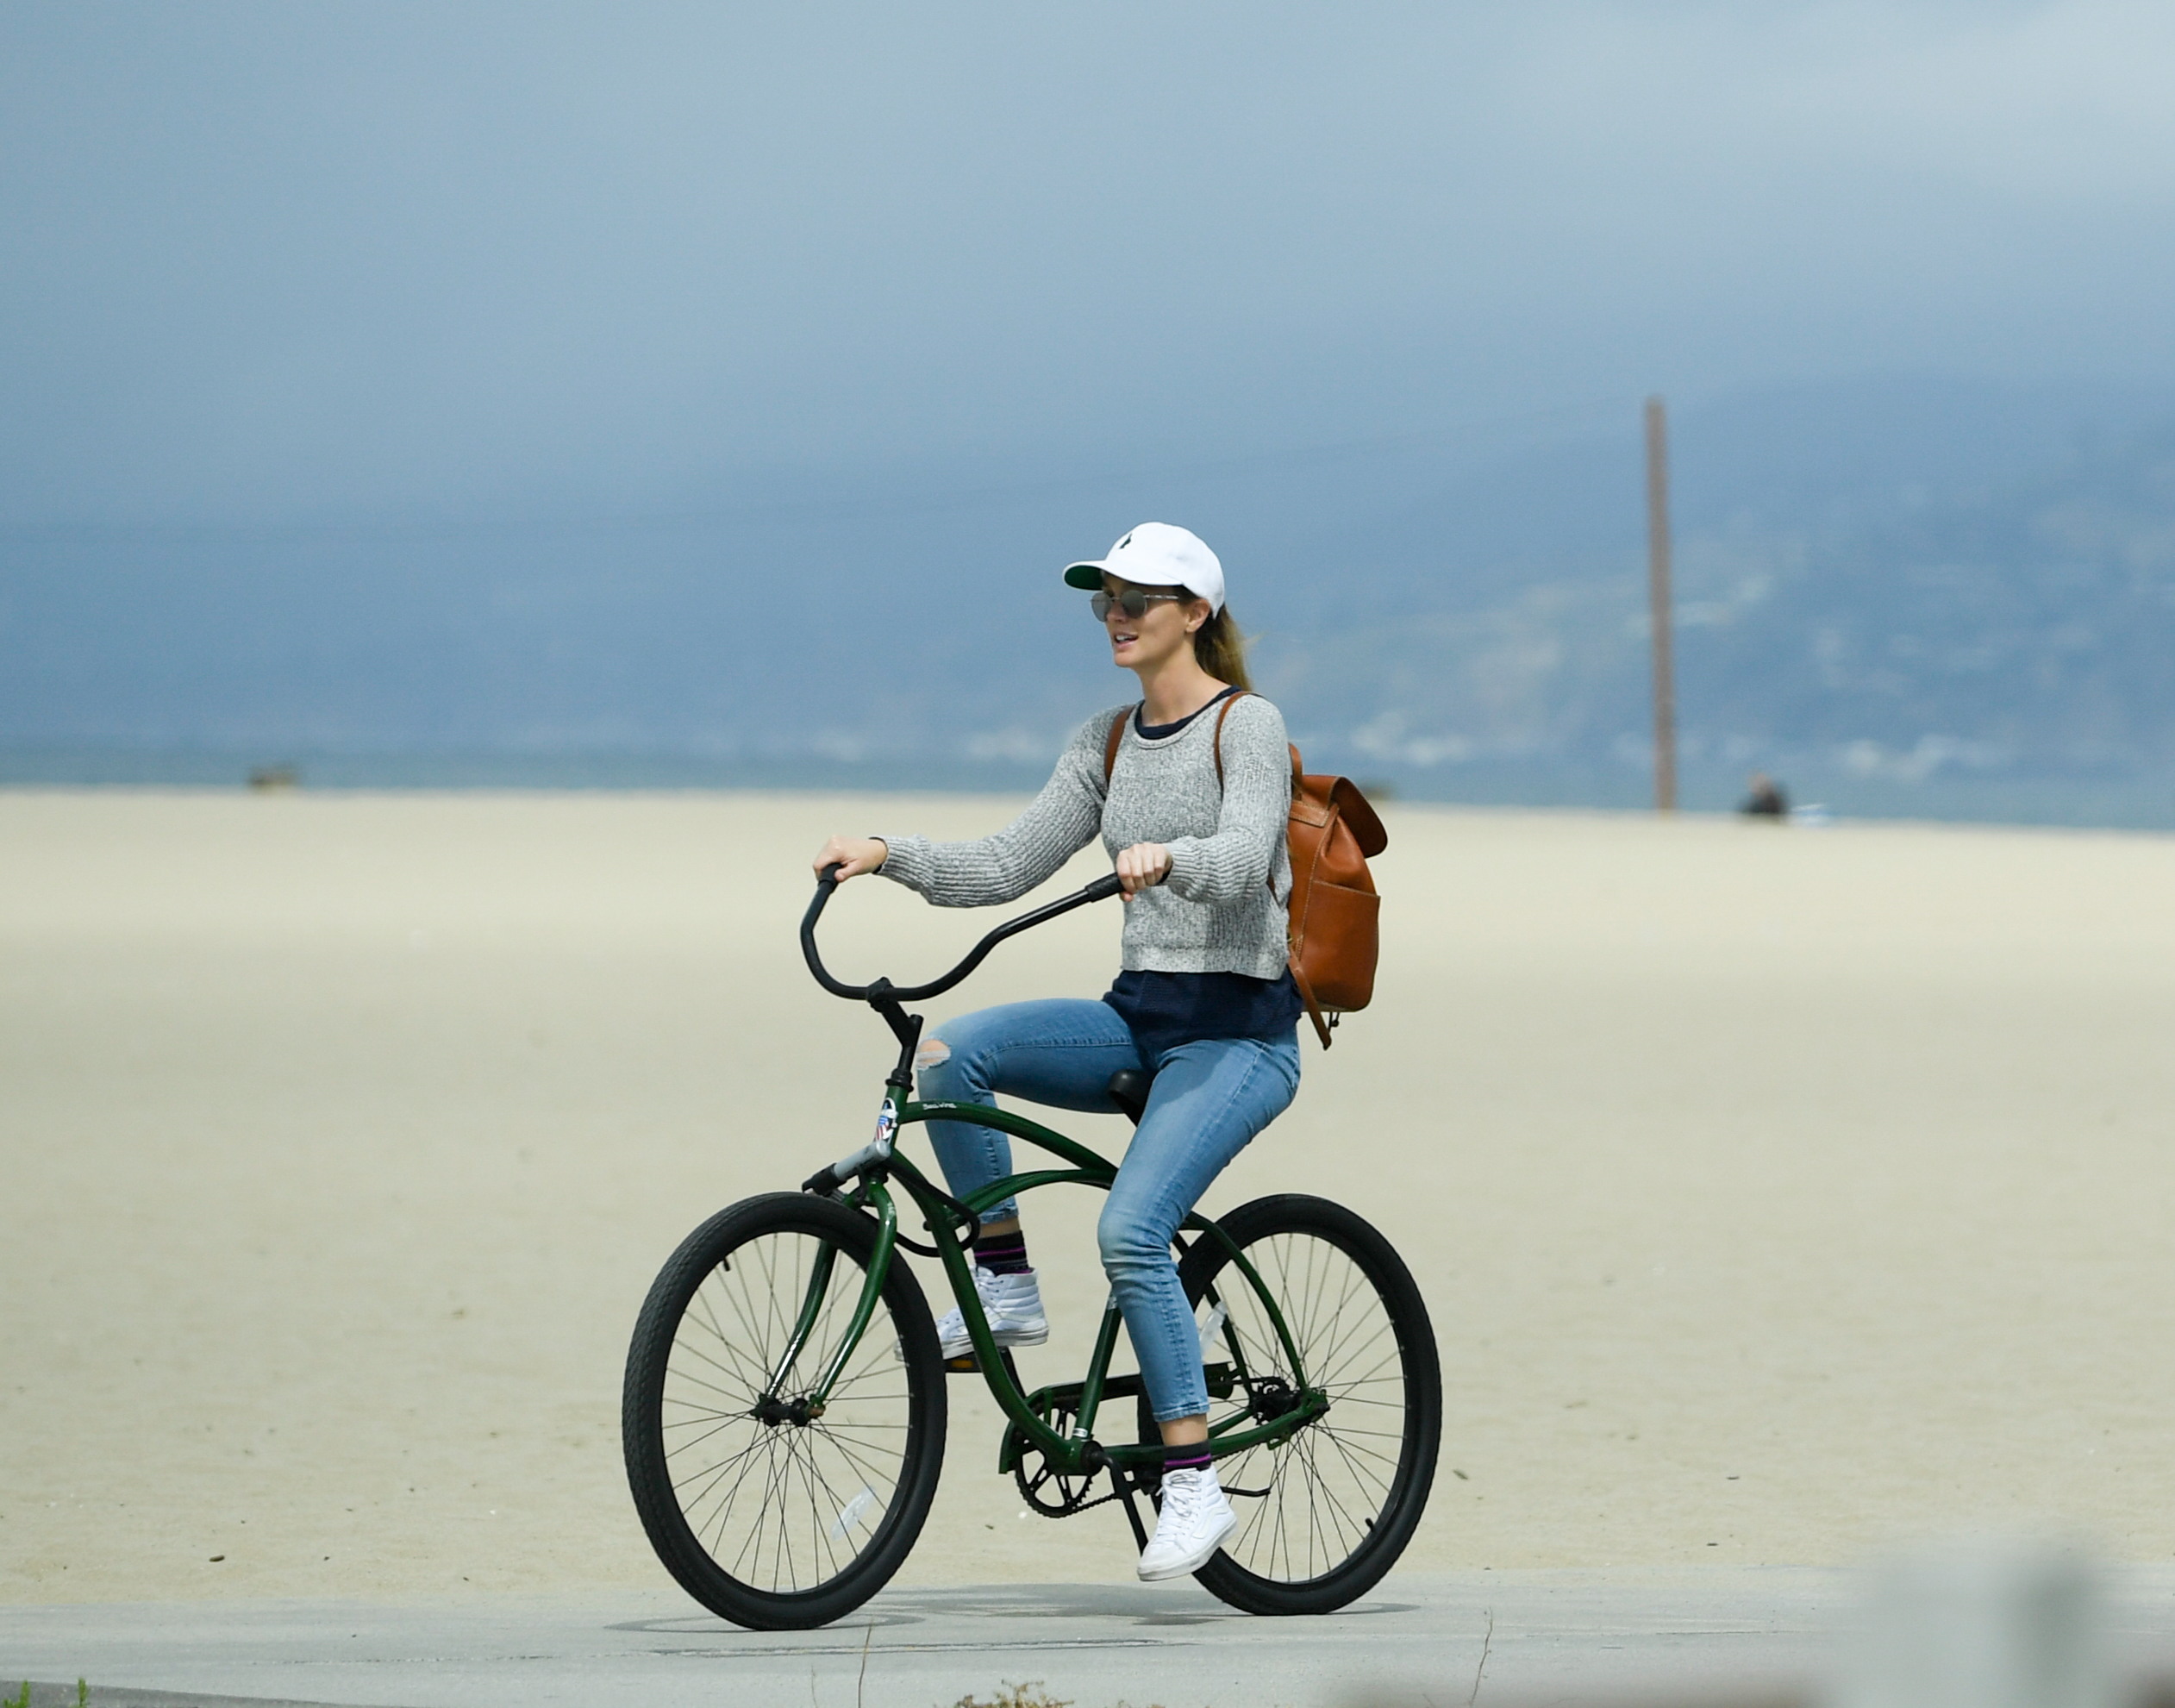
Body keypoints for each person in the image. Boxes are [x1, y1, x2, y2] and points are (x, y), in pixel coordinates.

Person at [812, 522, 1303, 1583]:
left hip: (1240, 1036)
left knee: (1132, 1230)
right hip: (1139, 1015)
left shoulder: (1248, 726)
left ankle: (1192, 1481)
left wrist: (1172, 855)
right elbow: (1006, 863)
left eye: (1140, 599)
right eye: (1105, 600)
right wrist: (889, 855)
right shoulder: (1106, 740)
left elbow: (1245, 852)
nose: (1117, 616)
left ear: (1196, 615)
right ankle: (1005, 1284)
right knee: (946, 1057)